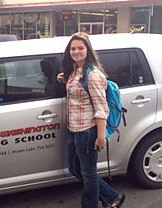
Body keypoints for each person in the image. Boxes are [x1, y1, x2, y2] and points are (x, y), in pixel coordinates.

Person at [57, 32, 125, 208]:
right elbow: (78, 90)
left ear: (88, 50)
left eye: (80, 48)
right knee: (75, 169)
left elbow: (101, 108)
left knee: (88, 173)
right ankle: (111, 197)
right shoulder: (75, 70)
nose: (76, 51)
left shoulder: (93, 74)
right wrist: (64, 78)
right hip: (74, 128)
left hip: (88, 131)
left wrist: (101, 136)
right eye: (73, 48)